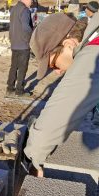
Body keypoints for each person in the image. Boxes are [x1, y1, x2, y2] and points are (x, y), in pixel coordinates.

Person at [24, 12, 99, 177]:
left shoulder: (93, 52)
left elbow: (46, 133)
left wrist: (33, 158)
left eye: (53, 63)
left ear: (68, 43)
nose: (57, 72)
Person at [6, 0, 33, 98]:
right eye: (31, 0)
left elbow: (11, 26)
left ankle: (9, 88)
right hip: (23, 44)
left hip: (14, 43)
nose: (32, 2)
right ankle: (19, 91)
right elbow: (26, 27)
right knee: (22, 68)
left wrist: (11, 39)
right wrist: (29, 40)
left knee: (14, 66)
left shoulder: (13, 9)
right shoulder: (25, 10)